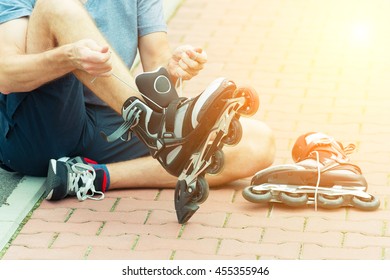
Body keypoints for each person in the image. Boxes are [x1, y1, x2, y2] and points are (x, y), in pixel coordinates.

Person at [0, 0, 275, 202]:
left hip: (108, 120)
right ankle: (161, 132)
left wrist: (173, 67)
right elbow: (6, 75)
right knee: (57, 7)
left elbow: (156, 63)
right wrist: (67, 57)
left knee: (258, 142)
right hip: (39, 131)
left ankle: (88, 176)